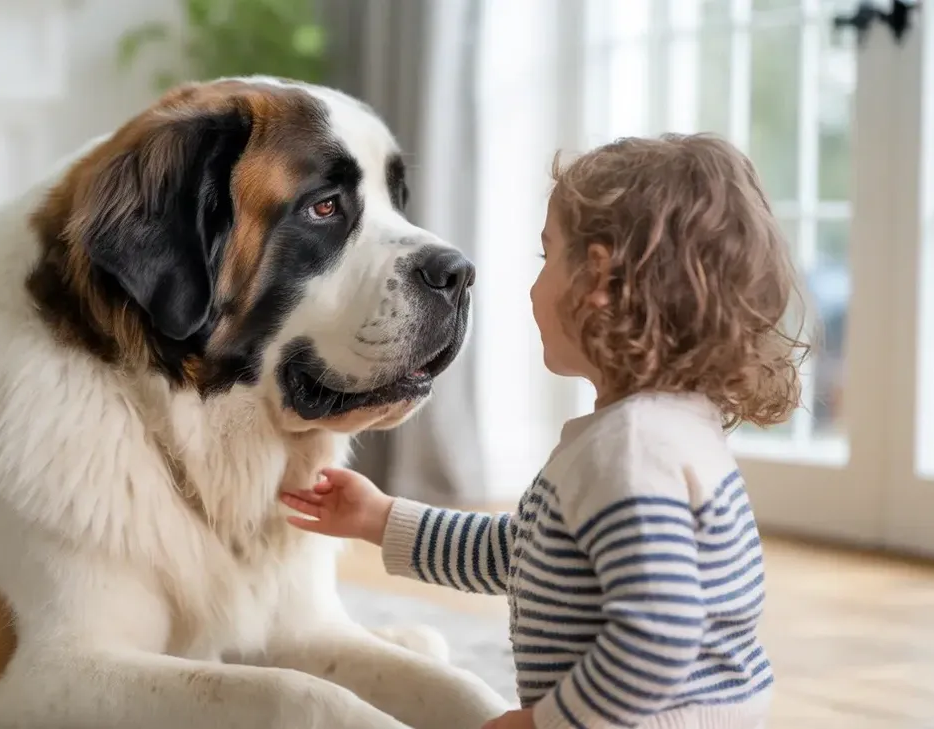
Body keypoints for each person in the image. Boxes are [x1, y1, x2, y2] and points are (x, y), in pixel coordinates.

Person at [281, 133, 808, 729]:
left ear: (598, 282)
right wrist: (381, 518)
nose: (534, 286)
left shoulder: (631, 450)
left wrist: (547, 722)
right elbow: (531, 557)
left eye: (547, 256)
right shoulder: (672, 430)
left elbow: (659, 633)